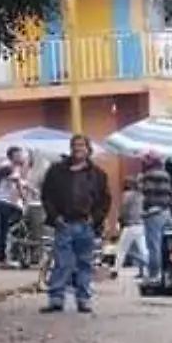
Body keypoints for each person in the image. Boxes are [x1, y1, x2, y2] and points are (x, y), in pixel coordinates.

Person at [38, 134, 109, 315]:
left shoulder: (98, 175)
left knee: (85, 264)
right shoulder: (57, 171)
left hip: (86, 225)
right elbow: (47, 196)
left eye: (82, 145)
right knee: (62, 263)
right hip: (64, 224)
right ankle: (56, 299)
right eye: (75, 145)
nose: (78, 149)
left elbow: (105, 200)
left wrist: (96, 218)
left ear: (88, 149)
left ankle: (83, 299)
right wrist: (55, 217)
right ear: (70, 148)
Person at [138, 154, 172, 281]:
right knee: (165, 245)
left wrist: (140, 182)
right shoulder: (166, 174)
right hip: (166, 212)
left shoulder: (148, 175)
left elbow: (147, 192)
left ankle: (154, 274)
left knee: (154, 245)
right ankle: (167, 273)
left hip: (153, 213)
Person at [111, 176, 147, 278]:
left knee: (122, 249)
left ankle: (115, 270)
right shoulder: (141, 196)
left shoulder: (127, 195)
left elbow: (124, 210)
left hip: (130, 225)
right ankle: (146, 270)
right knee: (143, 249)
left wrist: (120, 220)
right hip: (141, 224)